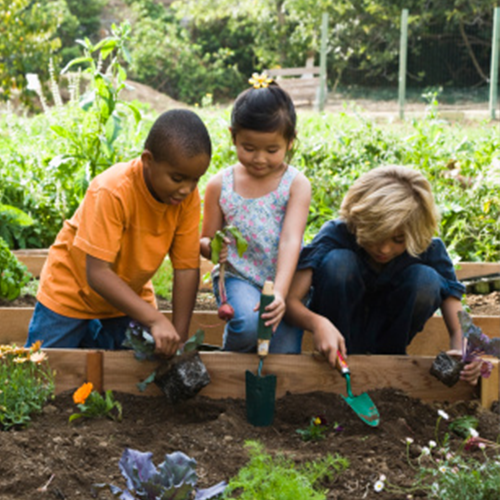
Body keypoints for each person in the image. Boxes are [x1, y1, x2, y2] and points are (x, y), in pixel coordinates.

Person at [26, 109, 212, 356]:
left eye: (195, 180)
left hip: (127, 297)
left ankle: (91, 336)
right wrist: (155, 320)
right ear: (148, 160)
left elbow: (187, 268)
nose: (186, 189)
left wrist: (178, 339)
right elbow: (98, 273)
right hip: (72, 290)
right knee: (42, 368)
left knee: (134, 370)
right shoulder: (112, 190)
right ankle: (86, 332)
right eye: (177, 178)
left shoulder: (185, 198)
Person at [285, 165, 481, 384]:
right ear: (358, 222)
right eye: (376, 237)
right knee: (339, 263)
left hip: (391, 340)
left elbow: (458, 323)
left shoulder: (428, 248)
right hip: (337, 342)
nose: (384, 249)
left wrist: (465, 354)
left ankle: (389, 360)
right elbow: (291, 302)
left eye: (398, 240)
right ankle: (340, 358)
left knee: (426, 279)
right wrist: (317, 323)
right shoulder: (337, 234)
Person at [200, 73, 311, 353]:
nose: (259, 158)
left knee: (282, 356)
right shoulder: (220, 185)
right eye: (248, 148)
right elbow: (205, 240)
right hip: (240, 276)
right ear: (233, 137)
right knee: (249, 325)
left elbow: (290, 240)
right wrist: (214, 248)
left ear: (290, 142)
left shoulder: (295, 185)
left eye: (272, 150)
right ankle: (229, 374)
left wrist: (281, 294)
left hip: (283, 278)